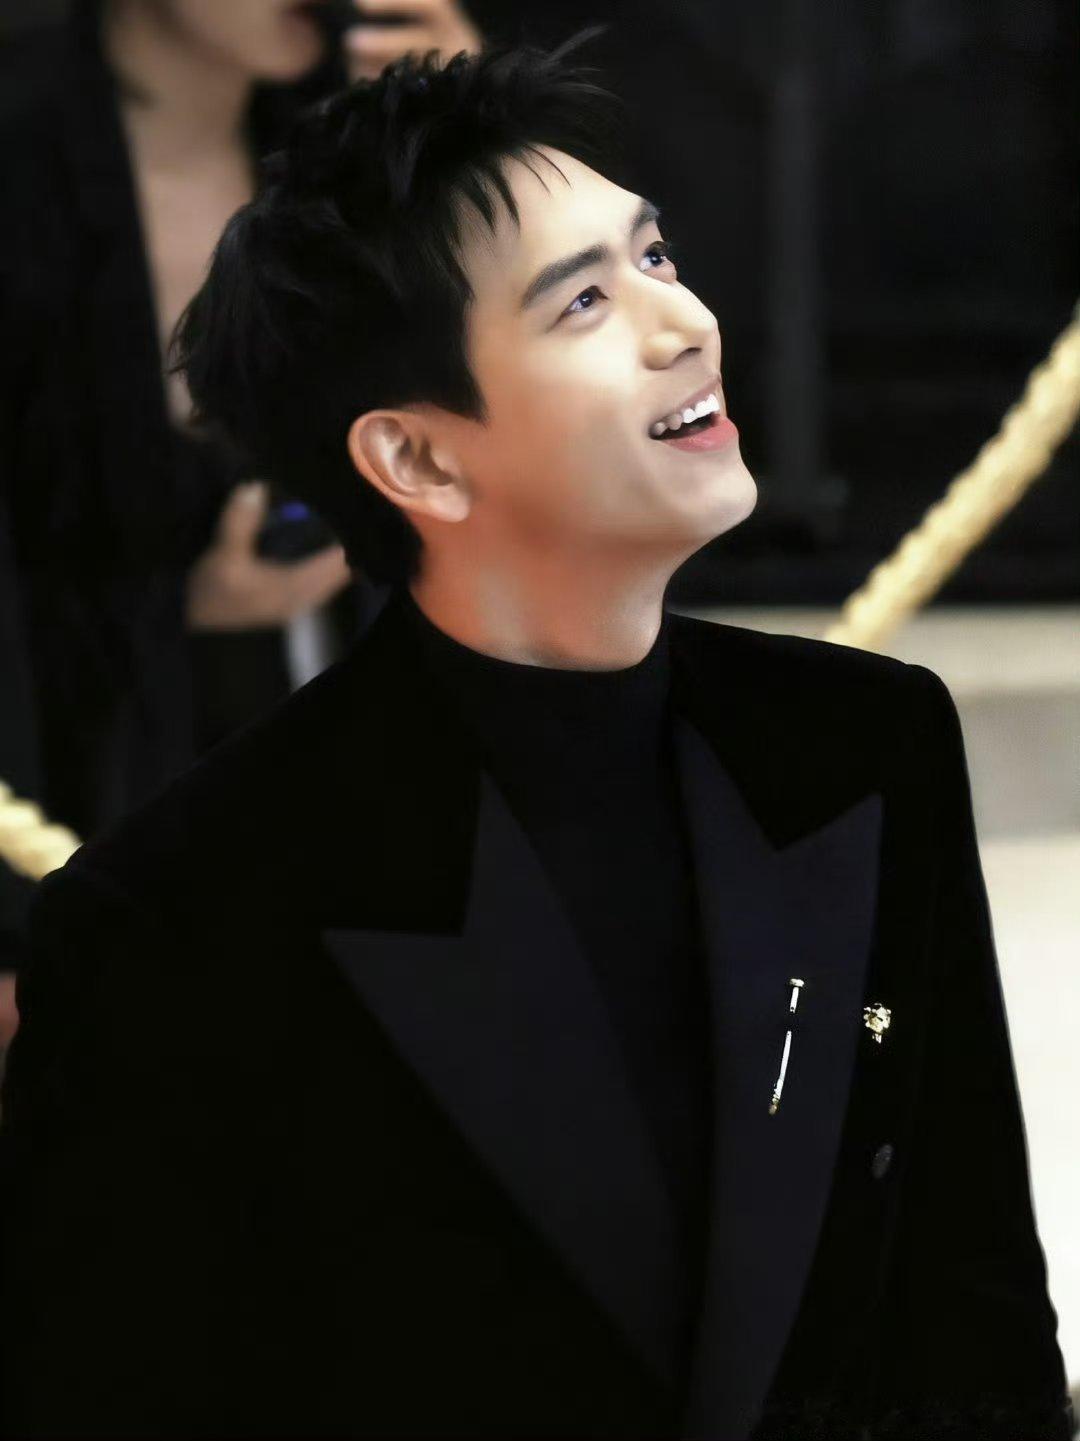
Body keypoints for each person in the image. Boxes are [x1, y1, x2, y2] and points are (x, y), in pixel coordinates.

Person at [1, 37, 1072, 1441]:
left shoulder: (867, 746)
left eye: (656, 254)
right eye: (582, 302)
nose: (682, 323)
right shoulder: (174, 919)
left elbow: (975, 1315)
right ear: (418, 458)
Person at [0, 0, 483, 1045]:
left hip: (348, 810)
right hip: (78, 802)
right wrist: (175, 606)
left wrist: (467, 146)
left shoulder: (341, 138)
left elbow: (534, 398)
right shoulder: (28, 147)